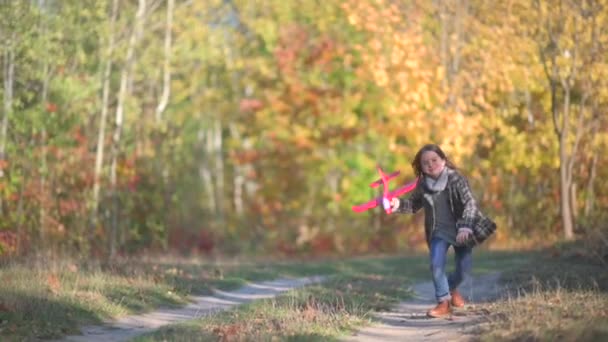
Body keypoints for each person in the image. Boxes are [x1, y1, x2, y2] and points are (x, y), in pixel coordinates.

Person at [390, 144, 496, 318]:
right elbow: (413, 205)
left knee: (464, 268)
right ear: (421, 167)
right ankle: (443, 302)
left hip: (462, 229)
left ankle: (451, 287)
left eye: (434, 160)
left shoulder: (456, 179)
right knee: (436, 264)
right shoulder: (423, 184)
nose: (430, 164)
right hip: (438, 231)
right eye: (425, 163)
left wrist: (465, 226)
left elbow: (470, 203)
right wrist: (397, 205)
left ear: (444, 160)